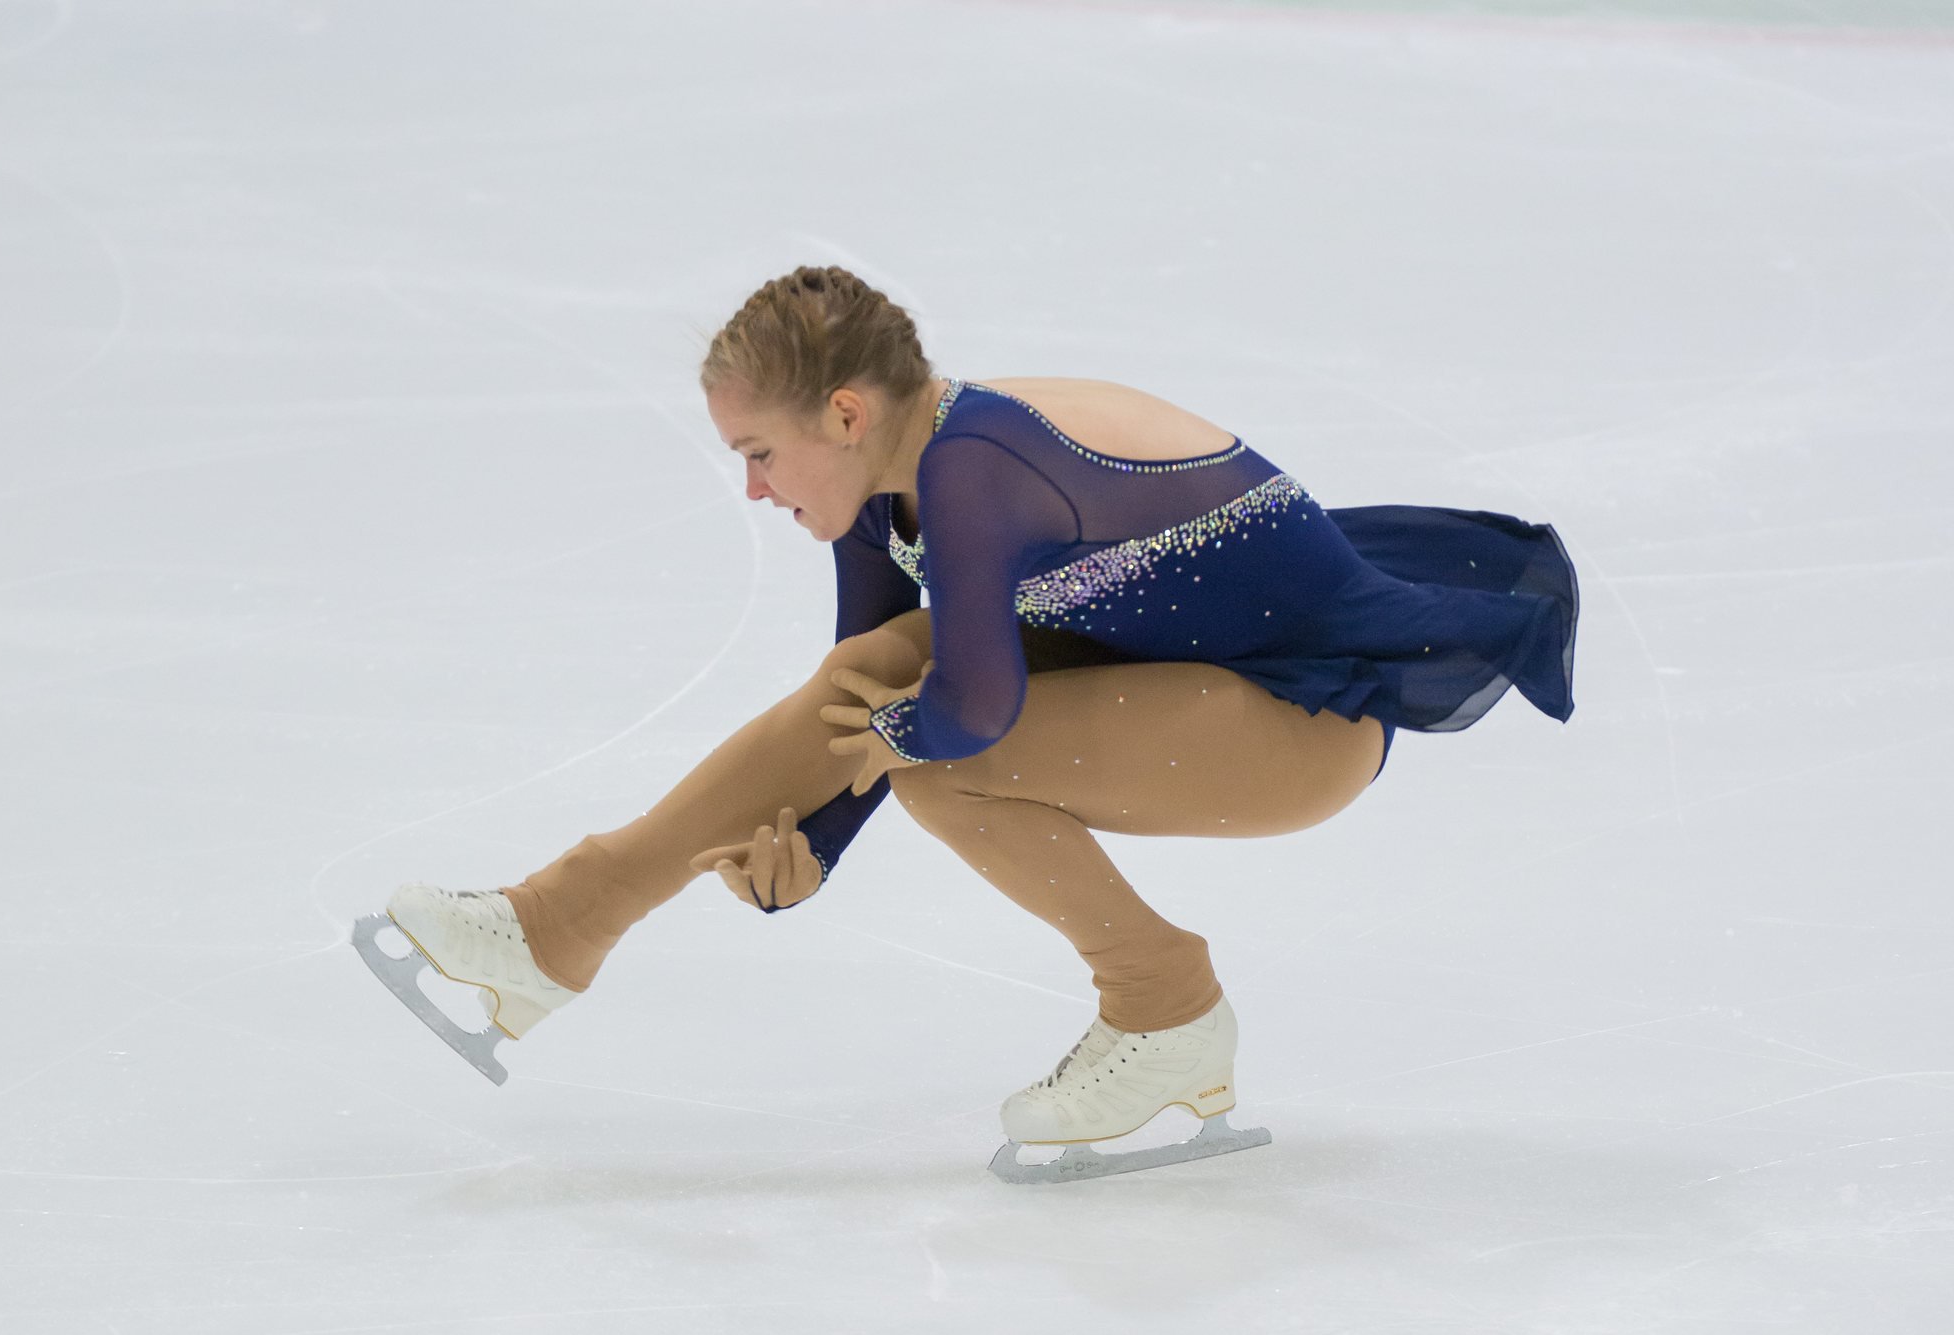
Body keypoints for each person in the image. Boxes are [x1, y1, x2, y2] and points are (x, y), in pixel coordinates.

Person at [369, 264, 1578, 1176]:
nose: (749, 487)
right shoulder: (883, 484)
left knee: (947, 755)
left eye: (756, 452)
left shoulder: (976, 465)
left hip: (1302, 716)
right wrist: (804, 855)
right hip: (1178, 675)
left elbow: (971, 709)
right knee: (883, 660)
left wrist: (861, 779)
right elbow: (877, 685)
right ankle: (560, 920)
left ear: (844, 414)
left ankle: (1162, 1004)